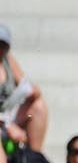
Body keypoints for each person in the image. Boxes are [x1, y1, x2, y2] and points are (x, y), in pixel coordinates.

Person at [0, 25, 49, 154]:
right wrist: (7, 126)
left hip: (6, 114)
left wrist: (32, 92)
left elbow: (27, 86)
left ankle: (34, 159)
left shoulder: (7, 60)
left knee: (38, 107)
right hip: (3, 121)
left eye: (3, 45)